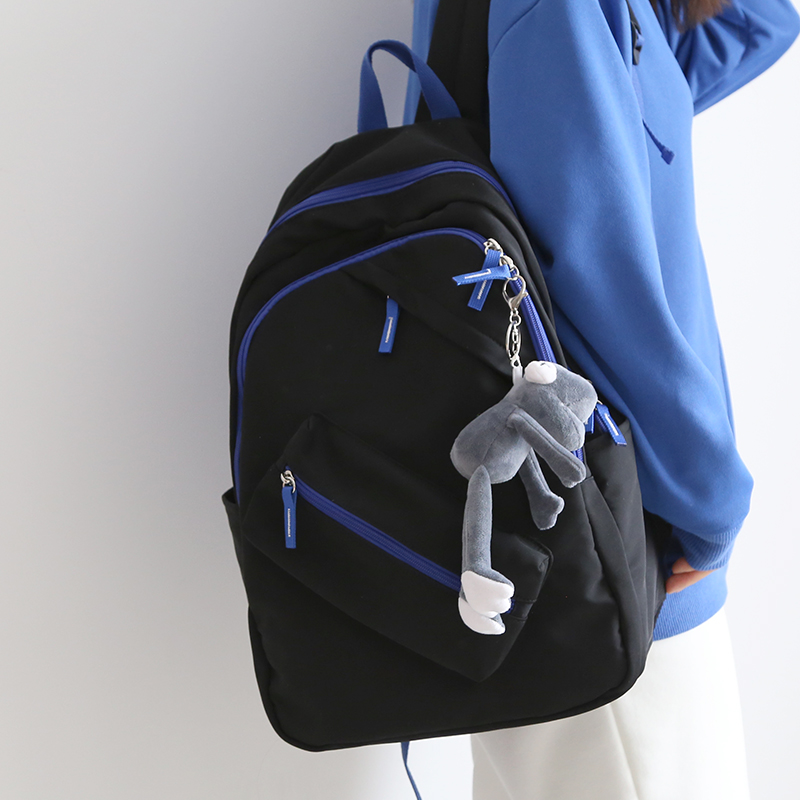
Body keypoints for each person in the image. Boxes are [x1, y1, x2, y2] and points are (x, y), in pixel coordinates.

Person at [403, 0, 800, 797]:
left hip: (571, 551)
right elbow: (598, 273)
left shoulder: (610, 21)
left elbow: (760, 24)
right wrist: (711, 503)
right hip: (621, 559)